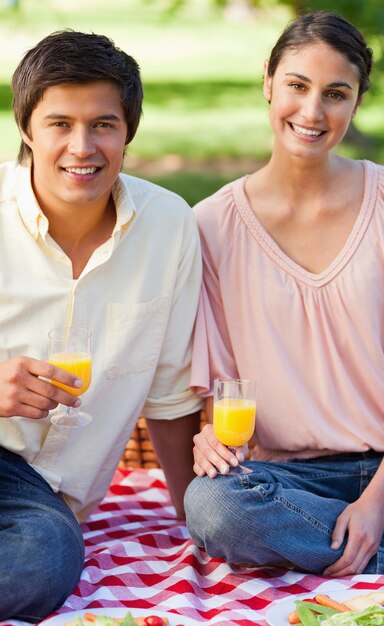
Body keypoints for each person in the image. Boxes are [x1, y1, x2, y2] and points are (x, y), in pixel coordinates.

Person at [184, 11, 384, 578]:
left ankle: (340, 537)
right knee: (212, 507)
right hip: (288, 478)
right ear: (268, 81)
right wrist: (213, 441)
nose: (312, 112)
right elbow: (221, 382)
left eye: (336, 93)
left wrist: (379, 499)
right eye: (297, 86)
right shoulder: (211, 225)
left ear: (357, 102)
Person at [0, 30, 203, 622]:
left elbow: (170, 393)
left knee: (44, 558)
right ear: (27, 129)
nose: (82, 147)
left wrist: (197, 522)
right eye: (60, 123)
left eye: (103, 125)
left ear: (128, 132)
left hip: (40, 501)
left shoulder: (168, 226)